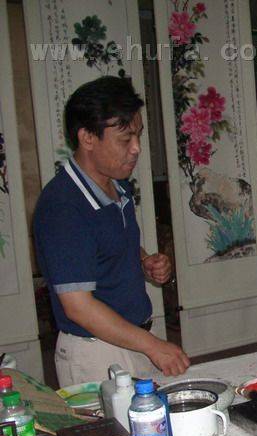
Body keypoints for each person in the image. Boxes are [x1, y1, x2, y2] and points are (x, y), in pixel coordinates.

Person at [33, 77, 190, 386]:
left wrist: (144, 261)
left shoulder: (117, 185)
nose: (136, 149)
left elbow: (109, 247)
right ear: (87, 137)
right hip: (96, 353)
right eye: (124, 139)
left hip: (132, 338)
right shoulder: (63, 205)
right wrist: (153, 346)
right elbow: (78, 307)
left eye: (138, 136)